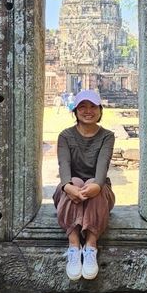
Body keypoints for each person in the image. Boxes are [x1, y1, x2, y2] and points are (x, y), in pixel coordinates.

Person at [53, 89, 115, 281]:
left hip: (100, 191)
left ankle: (90, 246)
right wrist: (67, 186)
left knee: (91, 184)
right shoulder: (65, 136)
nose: (88, 111)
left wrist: (96, 185)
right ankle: (73, 245)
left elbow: (102, 168)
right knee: (77, 181)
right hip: (67, 191)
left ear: (100, 110)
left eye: (93, 106)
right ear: (75, 111)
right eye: (82, 107)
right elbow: (64, 164)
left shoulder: (107, 136)